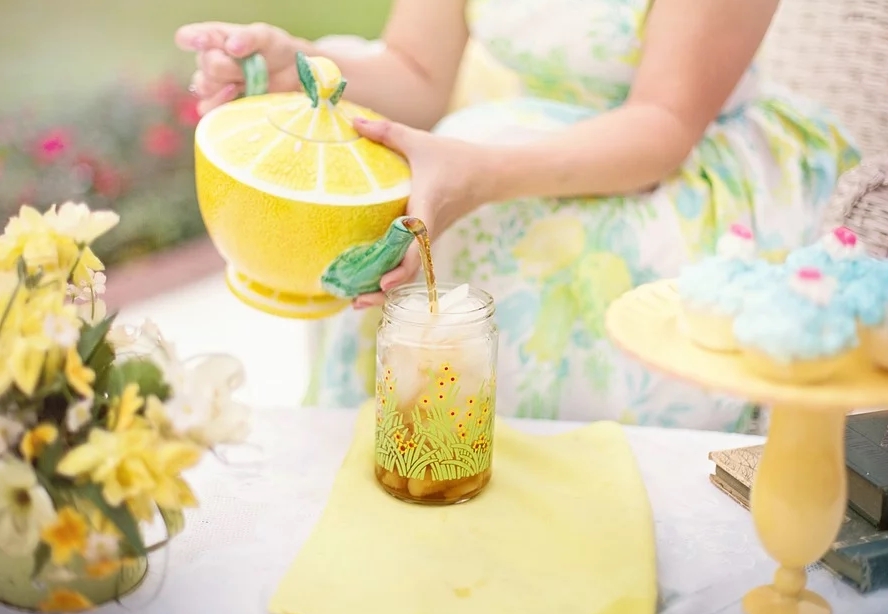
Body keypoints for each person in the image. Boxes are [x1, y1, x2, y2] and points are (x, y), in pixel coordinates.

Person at [176, 0, 859, 431]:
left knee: (505, 258)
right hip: (503, 146)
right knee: (411, 231)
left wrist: (480, 175)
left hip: (672, 164)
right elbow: (417, 71)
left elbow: (663, 125)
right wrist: (297, 62)